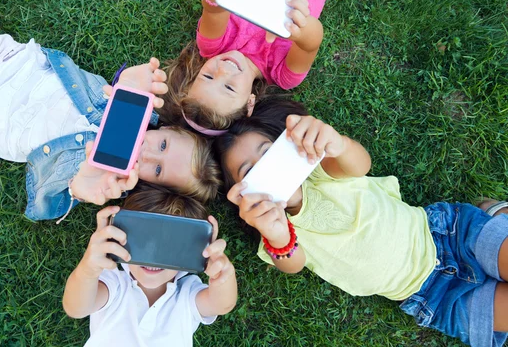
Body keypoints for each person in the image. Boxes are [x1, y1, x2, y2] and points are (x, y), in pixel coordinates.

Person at [214, 97, 508, 347]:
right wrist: (276, 234)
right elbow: (293, 263)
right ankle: (495, 214)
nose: (267, 169)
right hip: (431, 296)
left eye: (267, 153)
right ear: (242, 194)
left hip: (446, 233)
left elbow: (359, 164)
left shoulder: (318, 171)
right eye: (250, 171)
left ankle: (491, 215)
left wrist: (337, 144)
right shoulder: (277, 231)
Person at [0, 13, 221, 221]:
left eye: (156, 168)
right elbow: (118, 87)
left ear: (150, 185)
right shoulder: (131, 111)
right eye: (163, 145)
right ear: (163, 128)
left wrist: (76, 188)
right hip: (3, 61)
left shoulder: (100, 177)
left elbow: (43, 205)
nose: (148, 152)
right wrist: (128, 82)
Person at [159, 0, 338, 133]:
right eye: (229, 87)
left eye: (208, 76)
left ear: (195, 73)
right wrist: (299, 30)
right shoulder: (282, 73)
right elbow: (312, 42)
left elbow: (214, 7)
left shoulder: (213, 45)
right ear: (249, 103)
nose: (223, 70)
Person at [62, 183, 238, 347]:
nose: (153, 253)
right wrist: (88, 270)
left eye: (170, 247)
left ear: (189, 252)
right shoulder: (114, 282)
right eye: (143, 240)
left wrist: (222, 276)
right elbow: (76, 308)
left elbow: (221, 304)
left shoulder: (187, 294)